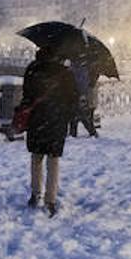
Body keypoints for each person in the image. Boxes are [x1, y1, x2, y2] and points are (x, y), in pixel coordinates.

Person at [21, 46, 78, 216]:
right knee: (53, 161)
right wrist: (66, 116)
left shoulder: (32, 69)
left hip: (37, 119)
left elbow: (26, 95)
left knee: (36, 157)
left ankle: (35, 193)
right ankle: (50, 199)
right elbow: (73, 98)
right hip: (56, 120)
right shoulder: (64, 73)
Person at [67, 59, 99, 138]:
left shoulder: (76, 70)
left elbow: (81, 82)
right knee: (80, 114)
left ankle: (89, 131)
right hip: (80, 94)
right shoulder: (84, 69)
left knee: (78, 114)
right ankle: (90, 131)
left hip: (77, 94)